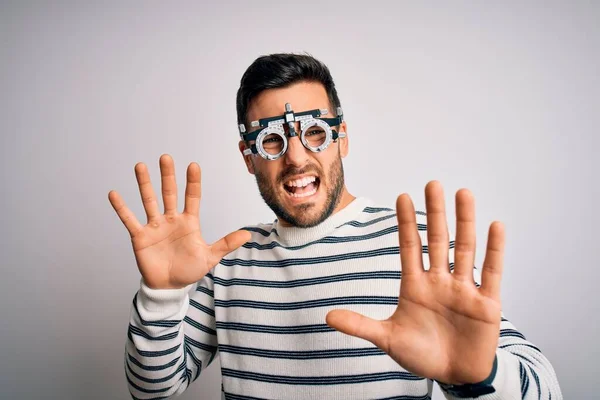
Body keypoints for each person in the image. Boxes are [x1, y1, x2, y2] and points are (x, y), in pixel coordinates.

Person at [109, 53, 562, 399]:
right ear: (249, 159)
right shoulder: (226, 262)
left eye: (315, 133)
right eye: (271, 140)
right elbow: (152, 388)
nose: (296, 157)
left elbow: (546, 389)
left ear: (342, 137)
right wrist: (162, 296)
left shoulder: (416, 249)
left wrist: (480, 376)